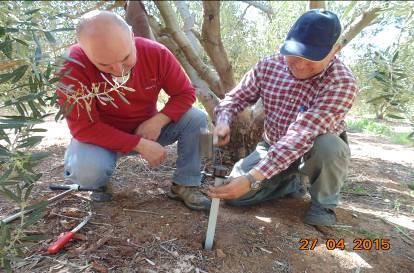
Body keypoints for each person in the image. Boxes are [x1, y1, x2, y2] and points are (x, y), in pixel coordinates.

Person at [209, 10, 358, 226]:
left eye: (311, 58)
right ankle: (290, 182)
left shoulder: (341, 83)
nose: (299, 64)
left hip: (314, 150)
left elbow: (301, 135)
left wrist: (252, 178)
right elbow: (236, 97)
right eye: (294, 54)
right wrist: (223, 120)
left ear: (336, 50)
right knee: (236, 195)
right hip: (272, 145)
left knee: (329, 147)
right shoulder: (269, 65)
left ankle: (323, 204)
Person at [56, 11, 211, 210]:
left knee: (197, 118)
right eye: (105, 65)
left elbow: (185, 93)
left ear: (131, 35)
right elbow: (84, 128)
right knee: (87, 171)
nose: (120, 70)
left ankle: (186, 183)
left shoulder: (156, 53)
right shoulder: (71, 66)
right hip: (102, 138)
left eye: (126, 57)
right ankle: (98, 185)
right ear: (85, 52)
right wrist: (138, 144)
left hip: (148, 128)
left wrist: (159, 120)